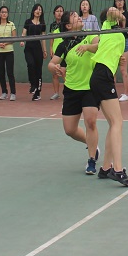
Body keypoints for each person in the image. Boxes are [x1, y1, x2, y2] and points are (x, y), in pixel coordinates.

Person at [76, 7, 128, 187]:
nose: (117, 12)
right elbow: (112, 11)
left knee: (114, 123)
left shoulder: (118, 34)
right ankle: (118, 169)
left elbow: (108, 52)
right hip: (102, 76)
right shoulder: (108, 25)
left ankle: (106, 168)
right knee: (118, 122)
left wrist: (119, 59)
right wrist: (119, 14)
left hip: (103, 76)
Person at [48, 10, 100, 175]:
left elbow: (99, 46)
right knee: (70, 130)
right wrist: (55, 68)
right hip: (71, 89)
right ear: (69, 26)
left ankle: (91, 159)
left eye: (78, 15)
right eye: (75, 17)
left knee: (90, 122)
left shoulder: (90, 35)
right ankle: (91, 144)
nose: (79, 17)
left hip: (90, 87)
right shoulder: (64, 44)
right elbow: (51, 64)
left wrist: (87, 47)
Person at [21, 4, 46, 101]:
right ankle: (32, 85)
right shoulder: (28, 22)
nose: (38, 11)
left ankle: (37, 93)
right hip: (29, 48)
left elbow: (43, 38)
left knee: (38, 70)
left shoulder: (42, 24)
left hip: (38, 49)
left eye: (40, 9)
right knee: (30, 64)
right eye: (36, 9)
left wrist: (44, 50)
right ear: (33, 11)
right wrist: (22, 40)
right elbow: (23, 33)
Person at [113, 0, 128, 102]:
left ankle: (126, 94)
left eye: (121, 0)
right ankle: (112, 92)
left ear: (124, 2)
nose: (119, 2)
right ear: (115, 2)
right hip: (113, 43)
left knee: (123, 70)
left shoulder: (127, 15)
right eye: (117, 0)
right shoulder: (112, 15)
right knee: (112, 70)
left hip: (124, 43)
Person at [0, 6, 17, 101]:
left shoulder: (11, 24)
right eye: (2, 12)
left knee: (10, 72)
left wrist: (5, 43)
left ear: (8, 14)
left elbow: (14, 38)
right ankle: (4, 92)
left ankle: (13, 93)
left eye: (6, 12)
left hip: (9, 51)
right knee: (1, 72)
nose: (4, 13)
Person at [48, 5, 65, 100]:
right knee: (55, 73)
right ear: (54, 13)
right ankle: (56, 93)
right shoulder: (52, 25)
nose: (59, 13)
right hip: (56, 53)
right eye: (57, 11)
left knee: (65, 73)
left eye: (61, 11)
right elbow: (51, 38)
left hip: (64, 51)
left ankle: (68, 92)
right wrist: (51, 48)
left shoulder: (66, 24)